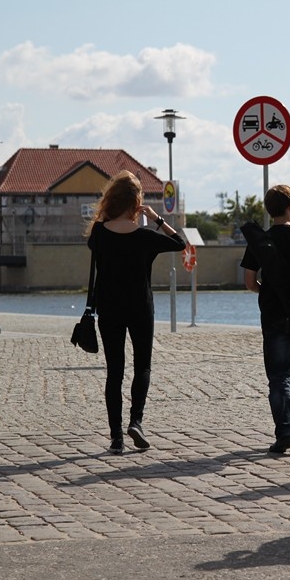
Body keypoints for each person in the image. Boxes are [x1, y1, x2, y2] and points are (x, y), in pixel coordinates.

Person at [85, 170, 186, 455]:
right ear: (137, 201)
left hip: (109, 308)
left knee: (114, 372)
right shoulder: (144, 236)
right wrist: (156, 219)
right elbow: (180, 243)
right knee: (142, 366)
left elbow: (95, 244)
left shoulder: (99, 234)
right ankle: (136, 422)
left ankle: (116, 437)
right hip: (141, 308)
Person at [240, 184, 290, 454]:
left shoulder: (260, 241)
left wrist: (270, 291)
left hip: (273, 315)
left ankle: (284, 431)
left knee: (278, 377)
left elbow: (250, 282)